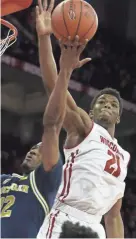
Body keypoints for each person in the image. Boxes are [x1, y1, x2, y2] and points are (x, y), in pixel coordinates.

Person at [36, 0, 130, 238]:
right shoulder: (84, 128)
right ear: (90, 112)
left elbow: (114, 214)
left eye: (113, 104)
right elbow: (53, 85)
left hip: (95, 227)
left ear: (119, 117)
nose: (108, 104)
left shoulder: (124, 156)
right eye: (102, 102)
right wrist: (45, 39)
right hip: (65, 218)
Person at [1, 58, 70, 237]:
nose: (33, 150)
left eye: (40, 150)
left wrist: (65, 72)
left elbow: (52, 125)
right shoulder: (5, 180)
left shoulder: (44, 184)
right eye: (32, 148)